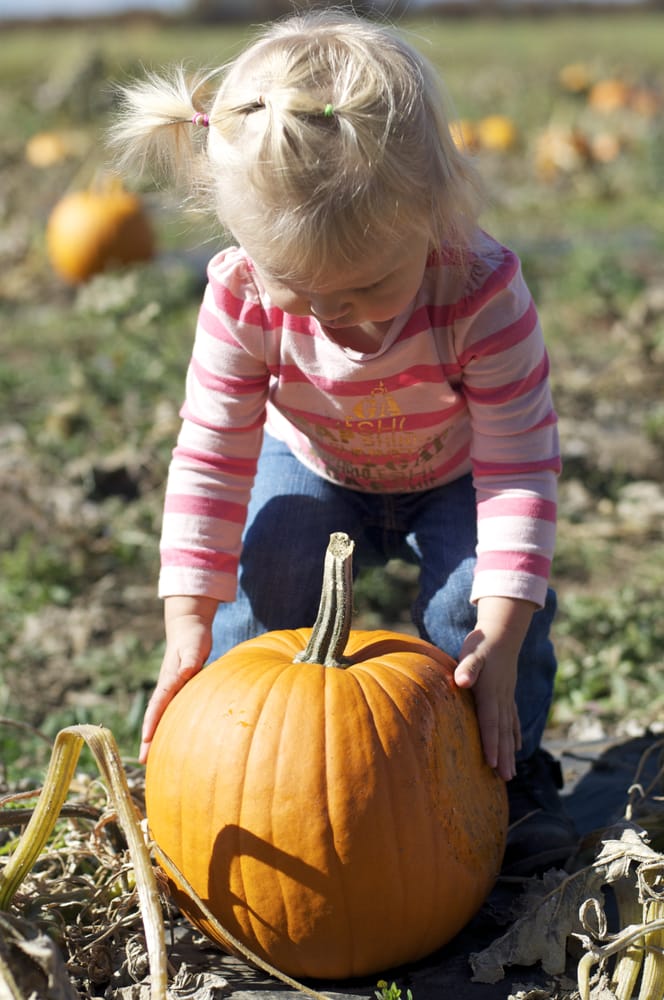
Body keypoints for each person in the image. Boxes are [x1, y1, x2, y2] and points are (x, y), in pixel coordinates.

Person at [112, 9, 577, 874]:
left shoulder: (482, 294)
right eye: (301, 289)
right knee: (266, 581)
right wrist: (187, 623)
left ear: (434, 213)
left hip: (457, 471)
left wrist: (505, 632)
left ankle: (503, 778)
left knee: (472, 613)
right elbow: (212, 454)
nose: (335, 317)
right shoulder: (242, 294)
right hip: (314, 458)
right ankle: (233, 773)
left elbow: (520, 469)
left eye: (366, 286)